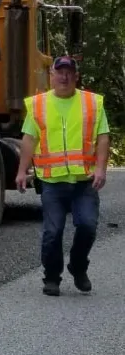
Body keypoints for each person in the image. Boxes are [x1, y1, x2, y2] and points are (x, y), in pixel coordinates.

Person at [16, 56, 110, 296]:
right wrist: (21, 169)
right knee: (52, 232)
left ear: (75, 75)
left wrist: (100, 168)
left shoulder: (92, 103)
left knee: (87, 226)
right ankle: (52, 277)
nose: (64, 77)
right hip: (52, 182)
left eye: (69, 72)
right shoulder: (39, 105)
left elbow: (103, 137)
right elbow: (29, 138)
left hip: (84, 181)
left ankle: (78, 266)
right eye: (60, 72)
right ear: (52, 76)